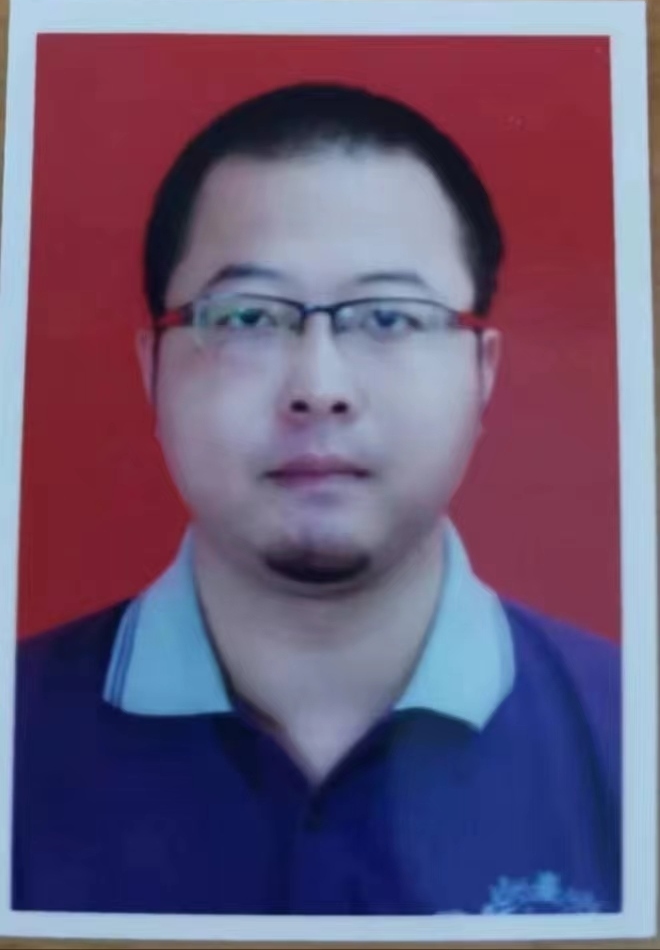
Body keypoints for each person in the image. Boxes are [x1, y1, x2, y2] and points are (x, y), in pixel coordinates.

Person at [13, 82, 620, 916]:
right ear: (153, 371)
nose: (320, 387)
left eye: (389, 318)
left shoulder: (629, 733)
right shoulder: (14, 726)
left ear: (482, 375)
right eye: (247, 318)